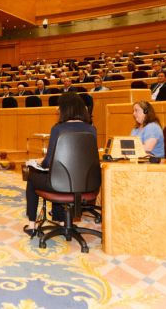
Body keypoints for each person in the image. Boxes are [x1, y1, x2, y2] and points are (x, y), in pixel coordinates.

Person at [23, 93, 97, 237]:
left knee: (32, 175)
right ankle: (64, 221)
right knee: (61, 176)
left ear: (66, 108)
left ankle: (32, 225)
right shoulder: (91, 129)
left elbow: (48, 162)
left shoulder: (58, 128)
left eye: (60, 106)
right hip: (87, 184)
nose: (58, 109)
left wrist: (37, 163)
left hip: (60, 184)